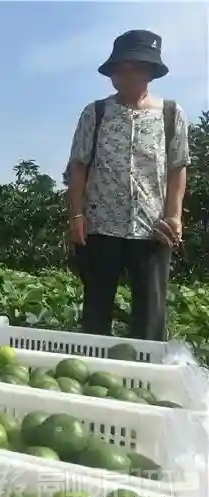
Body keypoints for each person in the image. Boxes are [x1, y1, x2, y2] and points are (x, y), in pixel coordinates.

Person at [66, 30, 190, 341]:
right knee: (96, 310)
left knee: (150, 315)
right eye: (118, 67)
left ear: (148, 72)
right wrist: (77, 216)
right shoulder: (96, 113)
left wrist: (174, 217)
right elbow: (78, 167)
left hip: (152, 227)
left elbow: (178, 169)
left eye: (131, 66)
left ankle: (146, 377)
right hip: (101, 224)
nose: (121, 74)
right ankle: (92, 369)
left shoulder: (171, 115)